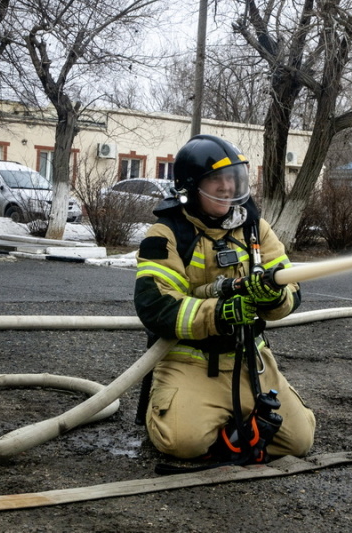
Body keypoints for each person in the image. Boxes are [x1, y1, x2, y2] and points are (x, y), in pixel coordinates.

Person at [134, 134, 315, 462]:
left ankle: (235, 427)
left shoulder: (255, 229)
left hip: (250, 358)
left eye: (232, 178)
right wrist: (220, 313)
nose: (227, 187)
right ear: (189, 187)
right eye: (216, 178)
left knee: (299, 441)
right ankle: (193, 417)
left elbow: (292, 289)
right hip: (189, 361)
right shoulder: (167, 234)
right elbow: (156, 305)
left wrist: (272, 297)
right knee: (181, 442)